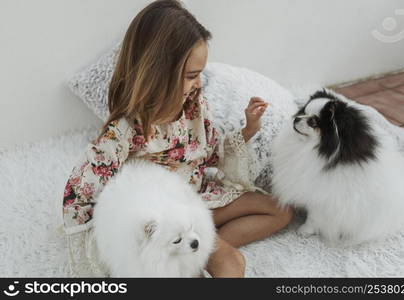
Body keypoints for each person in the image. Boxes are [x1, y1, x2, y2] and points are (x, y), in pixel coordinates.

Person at [62, 0, 293, 278]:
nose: (198, 83)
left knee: (281, 211)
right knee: (231, 264)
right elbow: (78, 194)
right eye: (192, 76)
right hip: (168, 217)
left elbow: (210, 155)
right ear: (160, 72)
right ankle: (197, 252)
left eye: (200, 75)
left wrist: (248, 129)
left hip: (201, 196)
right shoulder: (124, 130)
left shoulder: (193, 104)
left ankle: (200, 249)